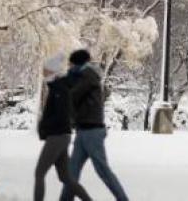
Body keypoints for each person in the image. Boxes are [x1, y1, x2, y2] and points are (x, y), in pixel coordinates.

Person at [59, 49, 128, 201]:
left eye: (71, 64)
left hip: (92, 132)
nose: (69, 67)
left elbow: (73, 96)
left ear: (77, 63)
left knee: (103, 170)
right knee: (72, 173)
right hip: (83, 131)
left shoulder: (88, 76)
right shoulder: (83, 76)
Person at [34, 54, 93, 201]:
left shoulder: (60, 89)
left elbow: (61, 116)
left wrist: (45, 126)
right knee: (65, 177)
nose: (43, 73)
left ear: (53, 71)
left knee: (39, 173)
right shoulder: (58, 87)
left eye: (46, 71)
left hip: (57, 137)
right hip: (61, 136)